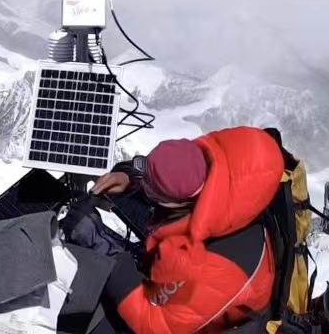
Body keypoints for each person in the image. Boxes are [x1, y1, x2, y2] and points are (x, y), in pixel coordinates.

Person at [72, 127, 285, 333]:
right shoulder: (213, 165)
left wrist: (111, 259)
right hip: (190, 244)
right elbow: (172, 172)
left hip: (192, 316)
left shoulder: (213, 268)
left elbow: (153, 323)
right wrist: (130, 177)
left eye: (153, 193)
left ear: (184, 203)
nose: (145, 191)